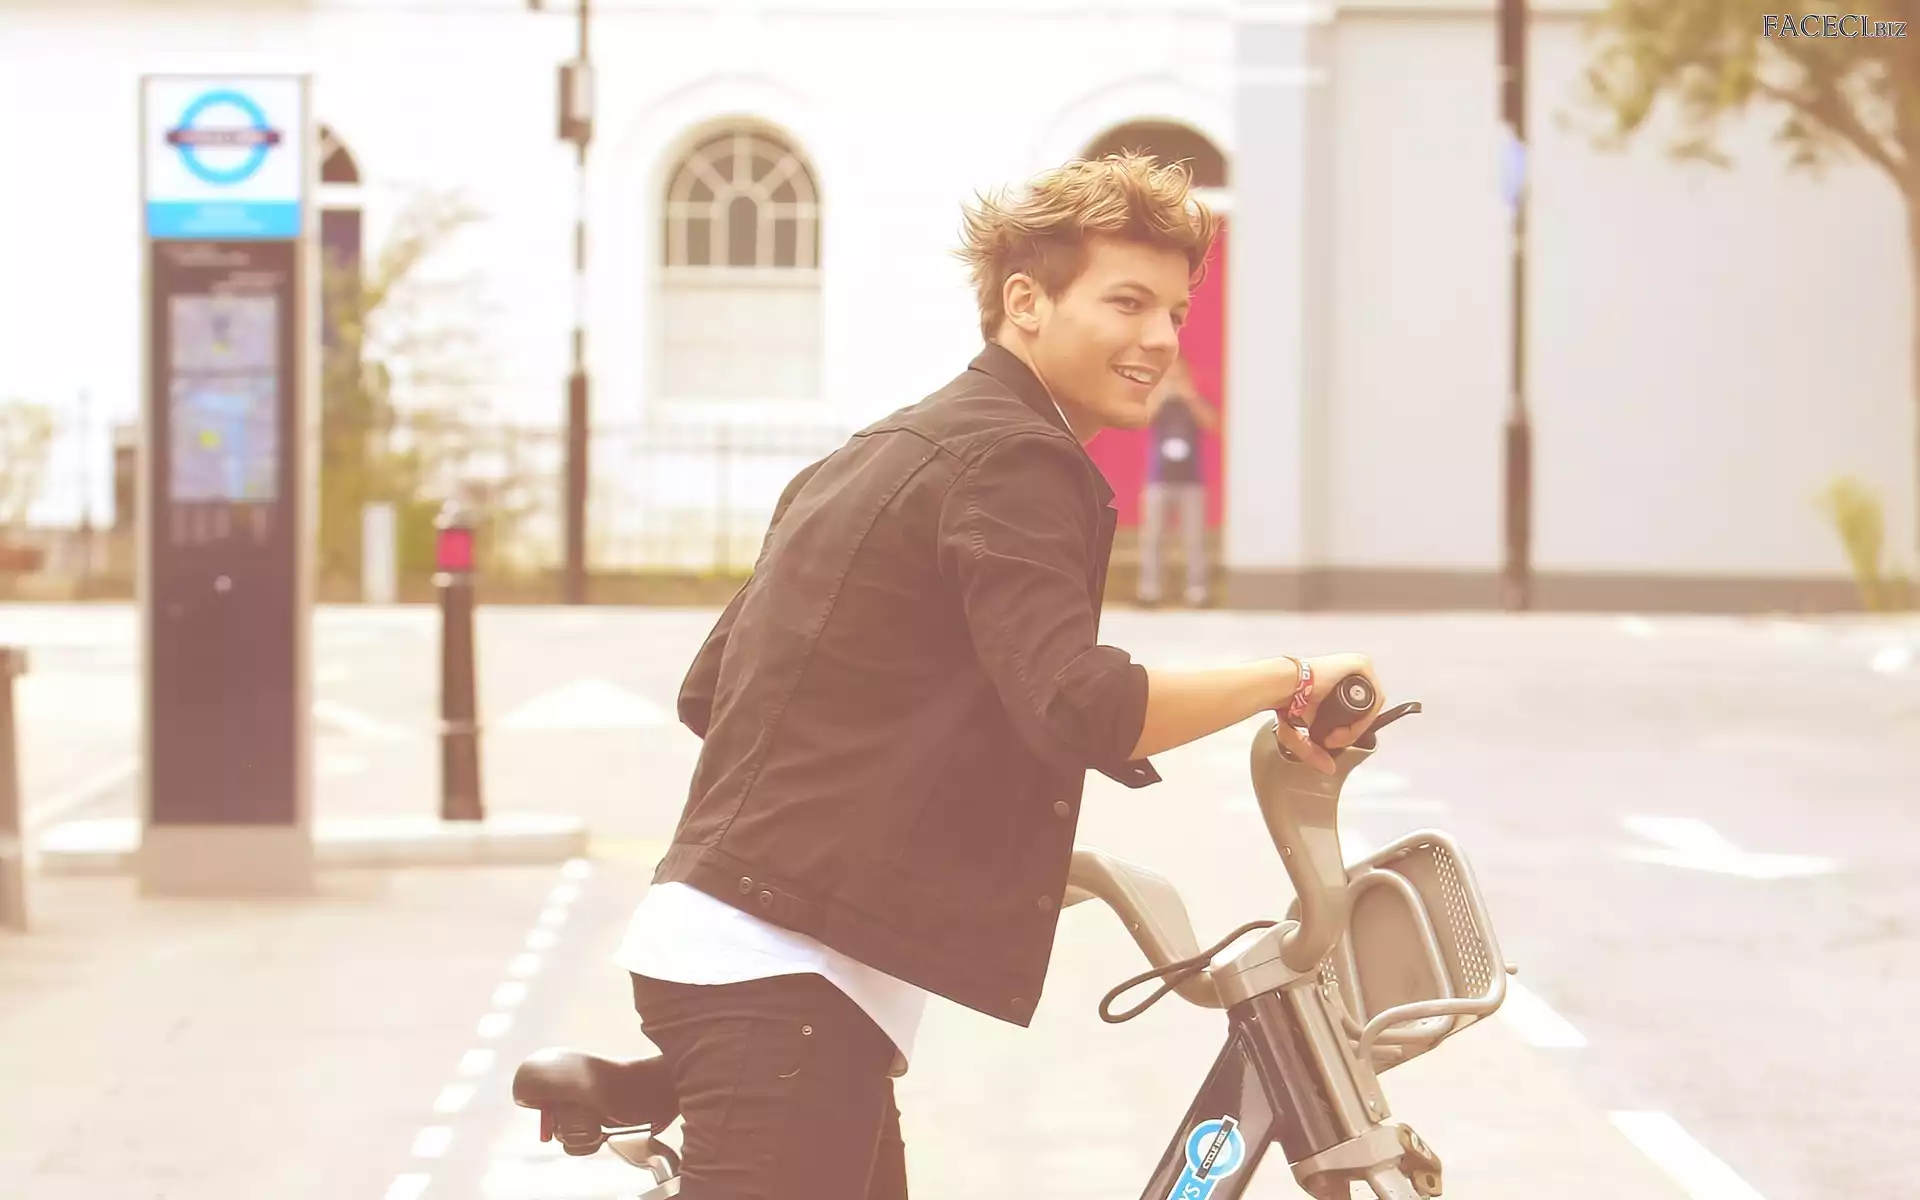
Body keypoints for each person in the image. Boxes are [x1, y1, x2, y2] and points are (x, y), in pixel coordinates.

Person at [612, 151, 1386, 1199]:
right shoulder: (1019, 460)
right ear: (1026, 302)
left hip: (759, 965)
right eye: (1126, 302)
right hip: (780, 982)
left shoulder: (884, 447)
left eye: (1174, 311)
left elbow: (719, 691)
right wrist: (1289, 679)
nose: (1162, 338)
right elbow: (1086, 705)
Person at [1137, 354, 1221, 607]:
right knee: (1153, 538)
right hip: (1158, 480)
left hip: (1191, 481)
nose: (1174, 378)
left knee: (1194, 539)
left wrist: (1190, 396)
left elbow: (1212, 424)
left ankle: (1197, 592)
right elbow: (1142, 420)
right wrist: (1161, 394)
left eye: (1179, 374)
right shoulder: (1157, 400)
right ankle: (1149, 591)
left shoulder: (1193, 401)